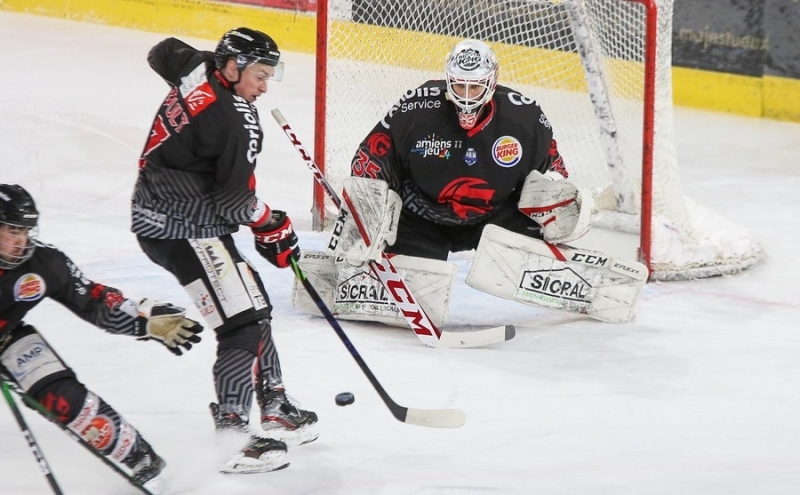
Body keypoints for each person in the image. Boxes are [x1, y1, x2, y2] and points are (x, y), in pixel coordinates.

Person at [294, 38, 645, 327]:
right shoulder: (416, 107)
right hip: (421, 216)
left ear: (491, 81)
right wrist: (364, 211)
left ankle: (589, 288)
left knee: (538, 247)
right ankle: (343, 282)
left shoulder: (524, 118)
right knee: (406, 274)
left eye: (474, 85)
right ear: (447, 80)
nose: (466, 94)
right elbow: (371, 158)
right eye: (459, 84)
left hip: (494, 215)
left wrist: (557, 210)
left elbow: (553, 174)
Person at [131, 27, 318, 473]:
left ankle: (272, 401)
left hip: (169, 211)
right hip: (183, 228)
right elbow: (235, 202)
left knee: (253, 298)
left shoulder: (198, 66)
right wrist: (272, 221)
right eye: (258, 74)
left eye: (269, 76)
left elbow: (163, 52)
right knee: (241, 323)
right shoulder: (238, 120)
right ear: (232, 67)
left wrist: (201, 77)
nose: (264, 86)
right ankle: (233, 437)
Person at [0, 184, 204, 492]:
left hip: (7, 337)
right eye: (13, 230)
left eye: (26, 230)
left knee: (64, 396)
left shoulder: (44, 264)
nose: (21, 241)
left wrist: (143, 321)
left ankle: (142, 460)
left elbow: (93, 301)